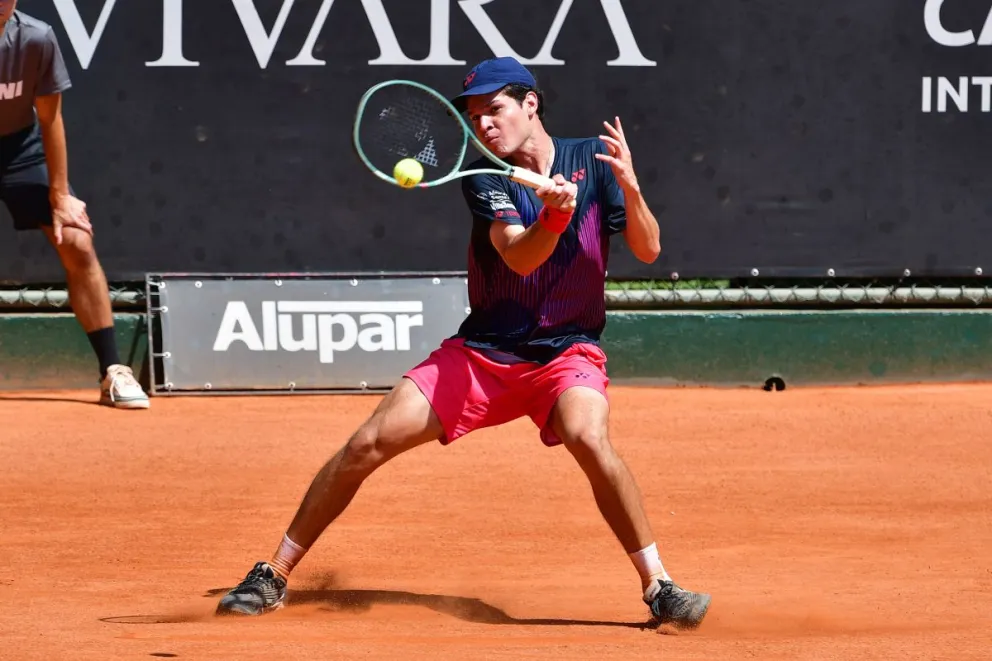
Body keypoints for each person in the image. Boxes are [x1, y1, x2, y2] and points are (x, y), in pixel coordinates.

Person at [216, 56, 711, 629]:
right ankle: (273, 573)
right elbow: (520, 257)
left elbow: (649, 249)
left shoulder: (593, 163)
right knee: (367, 443)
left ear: (530, 103)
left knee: (589, 437)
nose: (484, 125)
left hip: (567, 351)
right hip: (483, 354)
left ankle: (660, 587)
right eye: (474, 117)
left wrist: (631, 187)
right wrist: (553, 219)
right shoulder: (484, 176)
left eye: (494, 109)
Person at [0, 3, 148, 409]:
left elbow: (50, 119)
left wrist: (60, 195)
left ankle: (113, 371)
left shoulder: (35, 38)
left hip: (21, 150)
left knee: (78, 241)